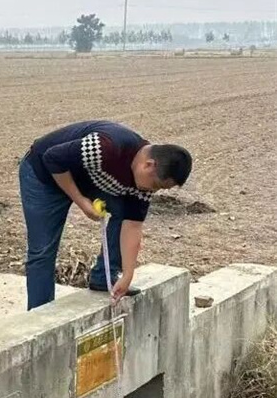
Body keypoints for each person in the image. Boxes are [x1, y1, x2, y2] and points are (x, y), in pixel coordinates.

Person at [20, 120, 192, 310]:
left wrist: (127, 275)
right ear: (149, 165)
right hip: (43, 175)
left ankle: (104, 277)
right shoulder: (107, 147)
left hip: (87, 176)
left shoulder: (143, 186)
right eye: (156, 185)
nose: (154, 191)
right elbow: (53, 157)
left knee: (123, 211)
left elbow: (133, 225)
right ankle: (41, 312)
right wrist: (81, 201)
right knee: (42, 250)